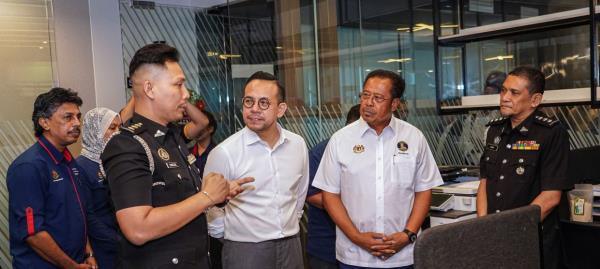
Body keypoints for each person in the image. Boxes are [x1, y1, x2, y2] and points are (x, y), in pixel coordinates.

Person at [100, 43, 252, 268]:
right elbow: (137, 228)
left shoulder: (171, 138)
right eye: (178, 85)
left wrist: (216, 194)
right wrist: (206, 197)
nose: (186, 94)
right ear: (150, 89)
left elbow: (178, 201)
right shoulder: (128, 144)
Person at [313, 69, 443, 269]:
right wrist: (357, 237)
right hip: (354, 255)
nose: (368, 103)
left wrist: (408, 234)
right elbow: (330, 195)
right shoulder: (340, 140)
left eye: (378, 98)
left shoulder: (414, 138)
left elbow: (424, 190)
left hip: (403, 254)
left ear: (394, 104)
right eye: (365, 95)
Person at [205, 71, 309, 269]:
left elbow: (299, 194)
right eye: (248, 102)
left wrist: (289, 226)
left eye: (263, 103)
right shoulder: (225, 152)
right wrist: (227, 238)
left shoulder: (297, 144)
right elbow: (210, 204)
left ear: (280, 109)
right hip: (245, 250)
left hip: (291, 244)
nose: (254, 109)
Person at [476, 66, 570, 269]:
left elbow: (551, 197)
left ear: (535, 100)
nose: (504, 97)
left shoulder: (551, 133)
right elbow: (485, 181)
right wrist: (482, 226)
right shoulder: (494, 130)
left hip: (531, 239)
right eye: (503, 90)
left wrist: (512, 231)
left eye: (514, 93)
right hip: (494, 237)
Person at [7, 87, 97, 269]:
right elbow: (33, 234)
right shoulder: (29, 167)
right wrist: (71, 266)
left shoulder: (71, 163)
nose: (77, 123)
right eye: (68, 117)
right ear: (44, 122)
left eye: (78, 117)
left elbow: (78, 216)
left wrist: (88, 253)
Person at [306, 104, 360, 269]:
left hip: (365, 248)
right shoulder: (322, 151)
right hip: (326, 244)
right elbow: (310, 194)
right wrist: (351, 205)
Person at [76, 107, 122, 269]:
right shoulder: (81, 166)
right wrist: (116, 240)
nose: (117, 132)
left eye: (119, 127)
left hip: (123, 240)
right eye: (112, 127)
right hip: (102, 246)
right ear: (96, 130)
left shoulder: (111, 161)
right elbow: (87, 215)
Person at [191, 110, 218, 177]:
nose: (197, 129)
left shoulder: (218, 152)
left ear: (210, 129)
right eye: (194, 125)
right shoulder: (187, 152)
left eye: (201, 125)